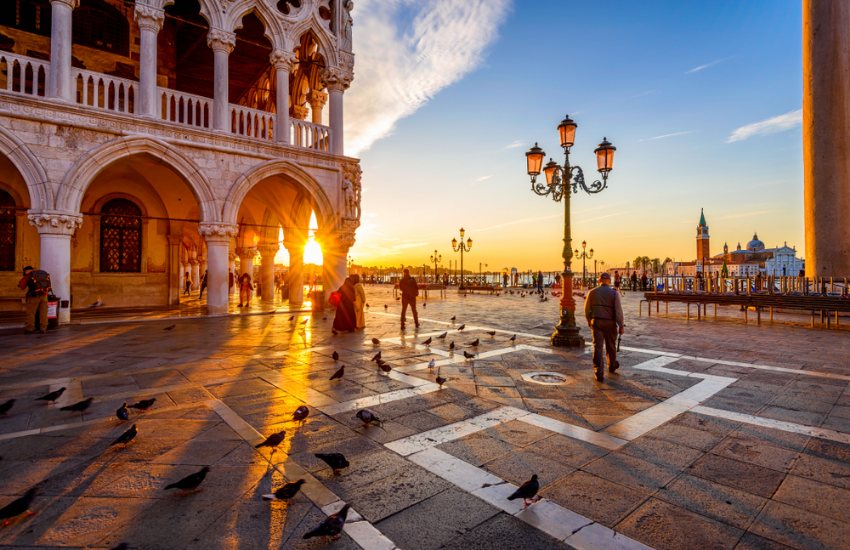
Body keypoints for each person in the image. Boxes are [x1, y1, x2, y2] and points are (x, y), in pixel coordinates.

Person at [584, 272, 625, 382]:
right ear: (609, 281)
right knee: (611, 345)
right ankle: (611, 365)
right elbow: (618, 312)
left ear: (599, 280)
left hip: (596, 322)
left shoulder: (592, 292)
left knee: (597, 346)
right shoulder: (614, 293)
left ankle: (598, 371)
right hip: (610, 323)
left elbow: (587, 309)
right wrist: (621, 325)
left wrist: (589, 320)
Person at [18, 265, 49, 334]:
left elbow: (22, 286)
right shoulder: (42, 274)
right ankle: (43, 328)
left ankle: (30, 328)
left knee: (31, 313)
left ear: (26, 271)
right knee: (43, 313)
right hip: (44, 295)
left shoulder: (28, 276)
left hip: (33, 296)